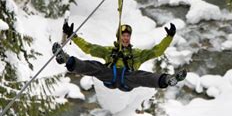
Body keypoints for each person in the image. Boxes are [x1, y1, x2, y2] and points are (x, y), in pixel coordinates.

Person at [52, 22, 186, 92]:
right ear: (119, 37)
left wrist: (169, 37)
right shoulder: (109, 51)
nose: (126, 38)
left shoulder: (137, 54)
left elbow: (156, 51)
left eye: (128, 36)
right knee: (95, 66)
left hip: (128, 80)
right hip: (110, 76)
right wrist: (73, 36)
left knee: (141, 76)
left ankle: (168, 79)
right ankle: (65, 59)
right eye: (123, 35)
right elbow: (89, 48)